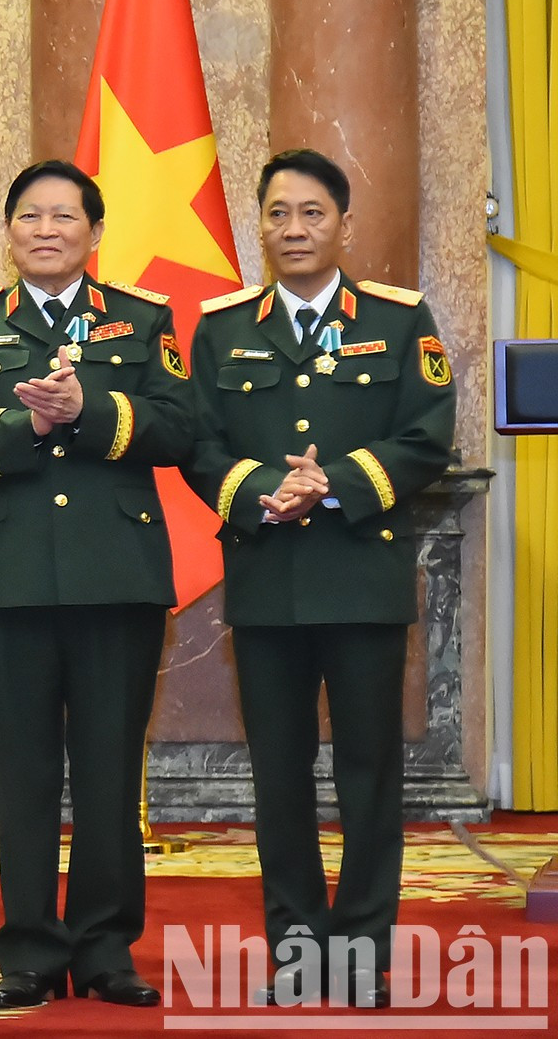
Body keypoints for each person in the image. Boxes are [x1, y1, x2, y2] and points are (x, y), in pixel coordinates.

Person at [0, 159, 194, 1011]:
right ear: (8, 233)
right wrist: (28, 423)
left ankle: (108, 948)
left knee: (111, 771)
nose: (46, 228)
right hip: (12, 583)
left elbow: (182, 426)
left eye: (64, 216)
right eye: (29, 215)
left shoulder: (144, 322)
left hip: (117, 578)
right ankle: (30, 951)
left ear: (96, 233)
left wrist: (93, 413)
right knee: (26, 776)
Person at [184, 149, 453, 1009]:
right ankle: (298, 948)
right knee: (281, 772)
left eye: (310, 213)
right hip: (268, 579)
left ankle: (365, 949)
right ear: (259, 226)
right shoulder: (223, 327)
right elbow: (199, 443)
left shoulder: (401, 320)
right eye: (276, 214)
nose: (292, 229)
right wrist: (265, 490)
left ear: (344, 223)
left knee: (371, 768)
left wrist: (332, 481)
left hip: (362, 575)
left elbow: (425, 437)